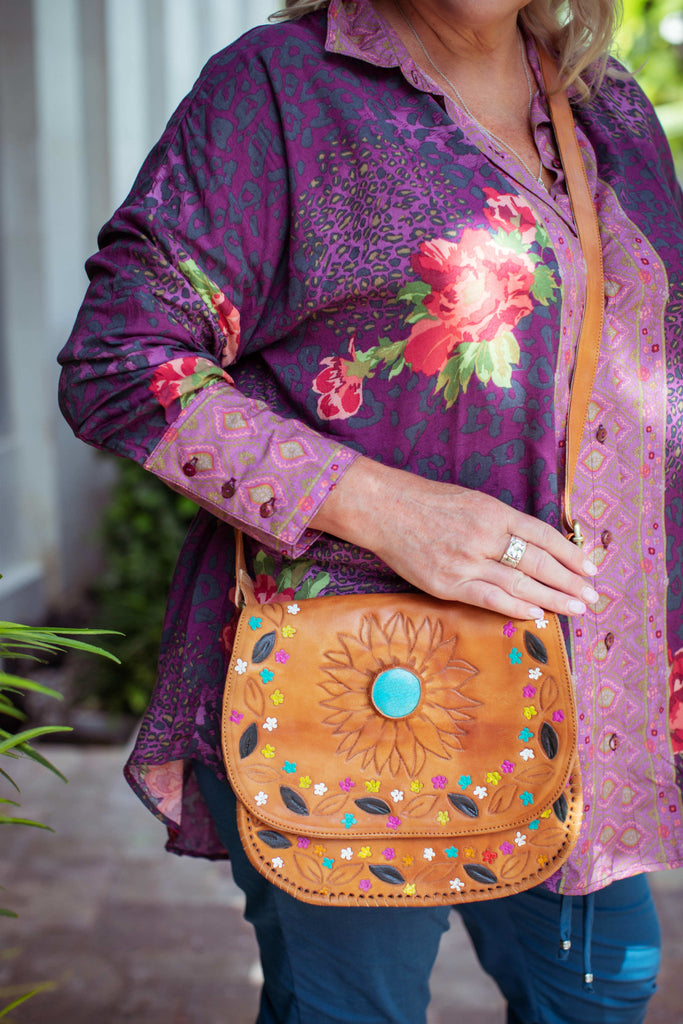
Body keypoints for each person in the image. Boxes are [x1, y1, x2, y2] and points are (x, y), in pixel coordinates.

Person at [58, 0, 683, 1020]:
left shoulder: (605, 108)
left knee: (598, 991)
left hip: (576, 684)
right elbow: (122, 360)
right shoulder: (277, 89)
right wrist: (389, 508)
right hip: (356, 683)